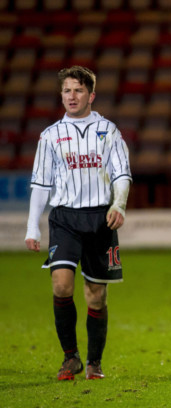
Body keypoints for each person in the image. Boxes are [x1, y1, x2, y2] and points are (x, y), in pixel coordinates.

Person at [24, 66, 132, 380]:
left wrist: (119, 204)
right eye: (67, 90)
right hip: (65, 219)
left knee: (96, 294)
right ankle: (70, 358)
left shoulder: (108, 130)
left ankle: (94, 362)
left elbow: (122, 173)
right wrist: (33, 227)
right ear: (61, 96)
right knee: (61, 285)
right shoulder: (50, 136)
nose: (72, 96)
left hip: (100, 219)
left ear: (91, 95)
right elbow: (41, 185)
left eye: (78, 90)